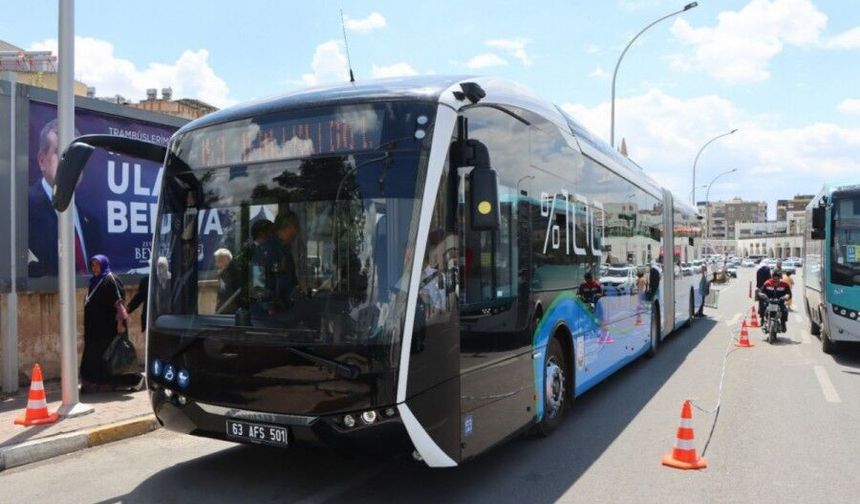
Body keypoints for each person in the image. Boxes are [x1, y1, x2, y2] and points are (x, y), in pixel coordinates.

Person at [27, 118, 98, 277]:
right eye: (61, 153)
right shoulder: (23, 209)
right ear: (42, 161)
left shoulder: (92, 222)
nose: (70, 162)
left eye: (76, 155)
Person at [80, 255, 142, 393]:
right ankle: (93, 384)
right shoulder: (94, 281)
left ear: (103, 264)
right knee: (93, 355)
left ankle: (123, 382)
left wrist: (120, 324)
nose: (94, 267)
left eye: (97, 264)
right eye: (93, 264)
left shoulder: (111, 279)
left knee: (111, 356)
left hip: (108, 329)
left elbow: (120, 303)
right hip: (94, 329)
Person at [759, 269, 792, 333]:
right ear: (772, 277)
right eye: (774, 277)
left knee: (784, 311)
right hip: (769, 302)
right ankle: (763, 320)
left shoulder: (784, 285)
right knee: (762, 308)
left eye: (777, 277)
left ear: (780, 277)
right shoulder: (767, 283)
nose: (776, 279)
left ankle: (783, 323)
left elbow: (789, 294)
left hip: (779, 302)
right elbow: (761, 291)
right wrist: (761, 294)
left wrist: (786, 296)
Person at [214, 248, 241, 313]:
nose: (216, 263)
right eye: (216, 260)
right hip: (224, 307)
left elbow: (230, 292)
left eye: (220, 260)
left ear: (228, 260)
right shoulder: (221, 272)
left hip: (231, 308)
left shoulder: (233, 273)